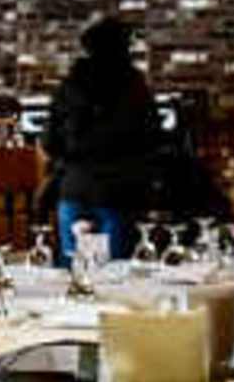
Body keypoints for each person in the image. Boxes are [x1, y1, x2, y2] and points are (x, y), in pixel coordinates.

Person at [44, 18, 166, 265]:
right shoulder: (134, 85)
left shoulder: (69, 85)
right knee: (115, 272)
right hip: (120, 191)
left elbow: (49, 141)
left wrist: (70, 160)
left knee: (75, 271)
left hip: (75, 187)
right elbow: (151, 137)